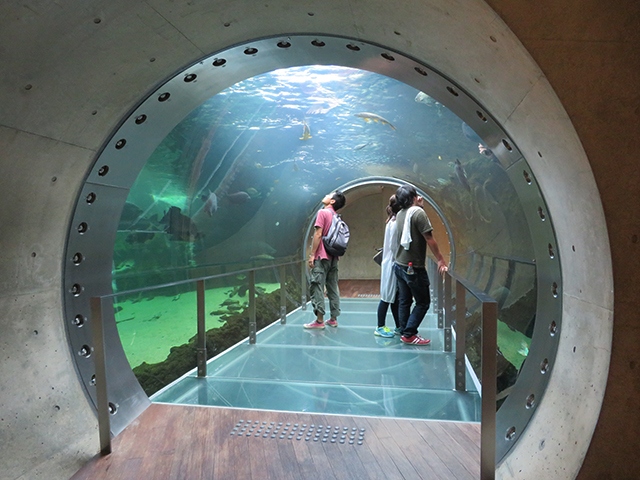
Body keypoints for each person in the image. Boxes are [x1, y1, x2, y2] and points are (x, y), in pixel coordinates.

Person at [393, 184, 448, 345]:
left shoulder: (401, 213)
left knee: (405, 300)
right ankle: (409, 334)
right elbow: (429, 238)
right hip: (413, 267)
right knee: (423, 302)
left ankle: (404, 330)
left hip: (400, 264)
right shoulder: (418, 213)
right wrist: (440, 259)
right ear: (412, 198)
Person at [304, 191, 347, 329]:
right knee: (332, 286)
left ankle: (319, 320)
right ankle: (333, 318)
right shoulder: (336, 216)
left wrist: (312, 255)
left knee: (317, 285)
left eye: (330, 195)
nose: (326, 195)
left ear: (332, 201)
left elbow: (318, 234)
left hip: (322, 256)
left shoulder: (323, 213)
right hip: (334, 257)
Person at [375, 195, 401, 338]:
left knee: (394, 298)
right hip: (392, 263)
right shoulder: (395, 222)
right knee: (386, 297)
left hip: (390, 262)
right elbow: (394, 245)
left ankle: (398, 326)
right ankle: (380, 326)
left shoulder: (391, 220)